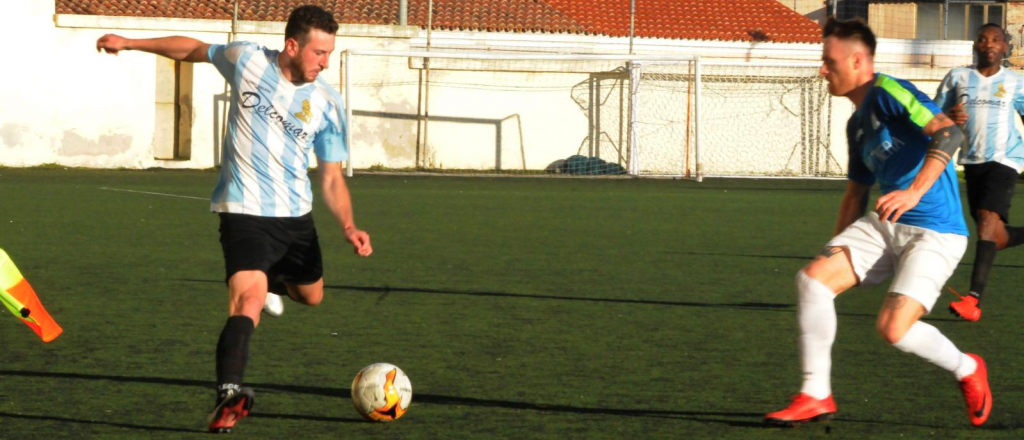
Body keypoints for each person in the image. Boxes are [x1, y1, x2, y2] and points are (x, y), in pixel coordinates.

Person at [95, 5, 372, 433]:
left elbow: (332, 177)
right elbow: (193, 49)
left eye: (330, 53)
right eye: (318, 52)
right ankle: (229, 394)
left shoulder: (327, 104)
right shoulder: (246, 59)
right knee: (248, 301)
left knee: (312, 296)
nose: (325, 62)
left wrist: (349, 226)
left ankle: (272, 280)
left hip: (295, 217)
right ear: (292, 45)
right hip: (243, 212)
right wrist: (131, 44)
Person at [764, 18, 991, 427]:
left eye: (828, 61)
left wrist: (913, 193)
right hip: (885, 224)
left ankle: (967, 368)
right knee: (813, 281)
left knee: (893, 329)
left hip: (936, 231)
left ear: (857, 60)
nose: (822, 70)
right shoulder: (855, 126)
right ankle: (816, 394)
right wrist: (835, 252)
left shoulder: (889, 92)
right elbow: (855, 194)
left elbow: (949, 135)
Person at [935, 23, 1024, 322]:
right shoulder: (957, 77)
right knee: (995, 235)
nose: (989, 44)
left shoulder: (1015, 81)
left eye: (996, 40)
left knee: (986, 221)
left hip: (1005, 160)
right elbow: (931, 115)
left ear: (1005, 47)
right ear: (975, 44)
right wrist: (947, 116)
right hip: (972, 162)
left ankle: (973, 299)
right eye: (983, 39)